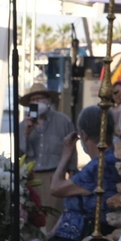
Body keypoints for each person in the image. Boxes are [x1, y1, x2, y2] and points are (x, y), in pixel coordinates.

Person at [49, 106, 120, 241]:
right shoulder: (112, 157)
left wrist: (67, 153)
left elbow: (56, 188)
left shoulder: (100, 165)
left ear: (84, 135)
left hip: (82, 240)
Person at [18, 83, 76, 221]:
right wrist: (26, 133)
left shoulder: (63, 121)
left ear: (48, 101)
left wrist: (72, 174)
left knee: (52, 218)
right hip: (31, 177)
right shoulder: (23, 125)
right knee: (31, 220)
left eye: (40, 99)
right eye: (33, 100)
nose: (37, 102)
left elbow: (71, 148)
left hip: (54, 176)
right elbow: (19, 154)